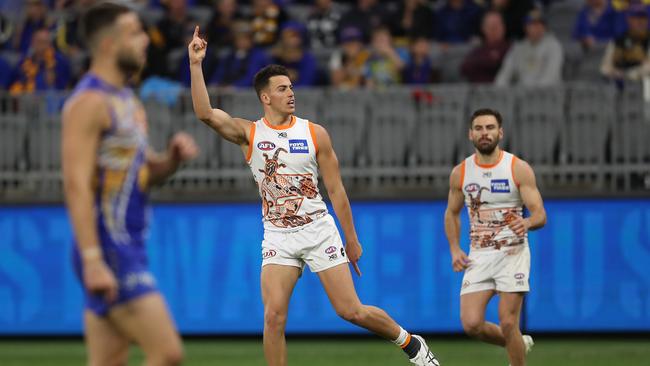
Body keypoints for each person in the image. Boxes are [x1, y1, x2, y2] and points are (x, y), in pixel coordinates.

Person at [188, 26, 440, 366]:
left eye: (291, 87)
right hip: (278, 234)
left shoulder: (314, 133)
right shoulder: (250, 133)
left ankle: (410, 342)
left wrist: (351, 240)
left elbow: (336, 190)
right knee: (273, 317)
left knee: (351, 311)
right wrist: (195, 64)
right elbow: (205, 113)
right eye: (282, 89)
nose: (290, 93)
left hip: (319, 229)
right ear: (266, 97)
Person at [62, 3, 198, 365]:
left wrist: (170, 160)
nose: (145, 42)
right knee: (168, 354)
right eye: (136, 32)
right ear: (109, 44)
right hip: (108, 247)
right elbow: (76, 184)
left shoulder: (127, 102)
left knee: (108, 361)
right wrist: (92, 258)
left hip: (127, 243)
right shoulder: (88, 103)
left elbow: (140, 174)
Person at [444, 108, 547, 366]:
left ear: (500, 132)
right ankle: (517, 342)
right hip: (479, 255)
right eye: (478, 128)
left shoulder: (517, 168)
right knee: (471, 324)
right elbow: (452, 214)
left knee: (508, 321)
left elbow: (540, 215)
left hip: (513, 253)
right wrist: (455, 249)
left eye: (490, 127)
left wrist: (528, 222)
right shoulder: (461, 172)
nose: (484, 133)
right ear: (470, 134)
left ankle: (516, 354)